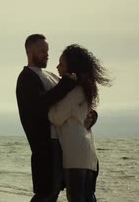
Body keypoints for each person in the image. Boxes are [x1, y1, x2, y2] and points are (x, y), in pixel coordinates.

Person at [16, 34, 78, 201]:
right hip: (45, 144)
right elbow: (39, 105)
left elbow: (72, 100)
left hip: (62, 140)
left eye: (47, 50)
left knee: (54, 190)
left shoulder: (50, 75)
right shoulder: (26, 78)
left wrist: (92, 116)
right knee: (47, 192)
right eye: (42, 50)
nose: (47, 54)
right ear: (30, 51)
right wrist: (66, 84)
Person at [48, 44, 111, 202]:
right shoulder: (85, 89)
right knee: (88, 198)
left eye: (61, 64)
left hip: (75, 152)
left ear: (72, 67)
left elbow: (55, 117)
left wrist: (50, 104)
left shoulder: (75, 91)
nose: (57, 67)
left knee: (76, 198)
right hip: (88, 153)